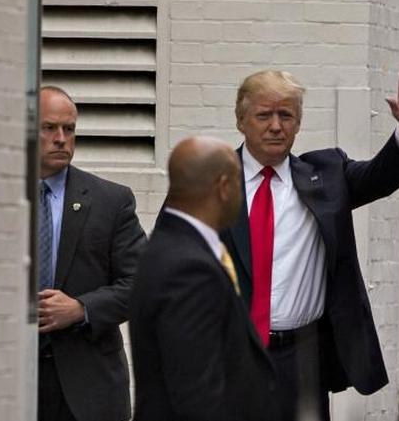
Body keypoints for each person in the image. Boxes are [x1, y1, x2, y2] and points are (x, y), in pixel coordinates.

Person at [219, 64, 399, 421]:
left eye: (286, 115)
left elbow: (380, 176)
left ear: (298, 123)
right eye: (264, 115)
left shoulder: (325, 176)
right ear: (241, 121)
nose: (276, 125)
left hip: (300, 360)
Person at [130, 137, 276, 421]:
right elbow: (198, 396)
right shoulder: (190, 270)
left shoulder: (167, 246)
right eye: (240, 182)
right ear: (223, 187)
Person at [35, 86, 146, 421]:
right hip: (12, 379)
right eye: (49, 128)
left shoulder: (111, 201)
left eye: (69, 129)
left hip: (88, 387)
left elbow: (141, 283)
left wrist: (81, 308)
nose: (61, 138)